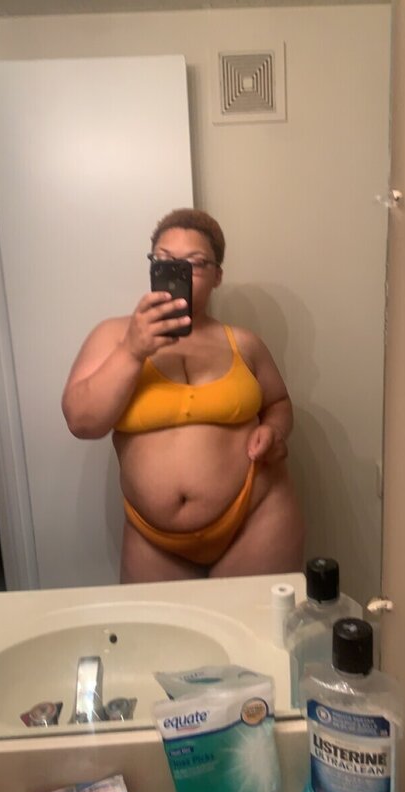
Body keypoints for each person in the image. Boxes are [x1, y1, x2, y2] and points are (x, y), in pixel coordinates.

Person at [62, 208, 304, 583]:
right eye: (165, 260)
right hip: (152, 537)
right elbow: (82, 422)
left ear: (218, 275)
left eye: (195, 262)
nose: (180, 271)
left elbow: (278, 404)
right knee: (158, 624)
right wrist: (132, 350)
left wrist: (273, 430)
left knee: (254, 622)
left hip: (257, 516)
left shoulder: (244, 342)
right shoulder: (112, 336)